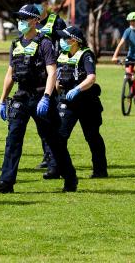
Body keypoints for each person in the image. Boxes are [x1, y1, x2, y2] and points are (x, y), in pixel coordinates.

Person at [0, 4, 77, 193]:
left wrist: (47, 97)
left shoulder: (44, 43)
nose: (21, 22)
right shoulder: (16, 44)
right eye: (19, 18)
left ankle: (70, 177)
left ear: (36, 20)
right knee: (13, 138)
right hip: (21, 96)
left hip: (41, 95)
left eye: (25, 18)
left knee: (53, 140)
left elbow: (52, 72)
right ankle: (6, 182)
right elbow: (10, 74)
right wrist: (2, 100)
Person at [55, 25, 108, 178]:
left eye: (65, 38)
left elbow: (91, 77)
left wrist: (77, 89)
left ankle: (100, 170)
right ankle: (59, 169)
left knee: (92, 136)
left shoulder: (86, 54)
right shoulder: (62, 55)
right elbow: (58, 79)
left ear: (74, 40)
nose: (62, 41)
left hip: (87, 102)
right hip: (68, 103)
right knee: (60, 136)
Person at [28, 0, 65, 169]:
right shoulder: (29, 22)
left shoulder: (56, 21)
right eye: (33, 1)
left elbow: (66, 44)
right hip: (36, 77)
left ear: (46, 4)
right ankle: (48, 155)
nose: (36, 4)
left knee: (52, 119)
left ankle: (54, 157)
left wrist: (61, 73)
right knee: (41, 119)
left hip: (53, 75)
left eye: (39, 1)